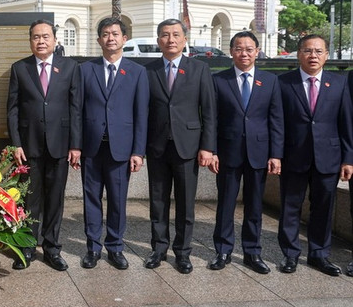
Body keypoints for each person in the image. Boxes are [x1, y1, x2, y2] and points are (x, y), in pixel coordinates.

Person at [7, 20, 81, 271]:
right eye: (36, 37)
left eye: (46, 36)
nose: (41, 41)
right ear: (30, 41)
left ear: (54, 40)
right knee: (30, 200)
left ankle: (51, 248)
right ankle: (26, 247)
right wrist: (16, 143)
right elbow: (13, 110)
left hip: (60, 145)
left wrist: (75, 145)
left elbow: (75, 109)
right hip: (29, 146)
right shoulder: (20, 68)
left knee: (55, 199)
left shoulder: (70, 68)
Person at [207, 32, 283, 274]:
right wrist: (213, 151)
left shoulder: (270, 81)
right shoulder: (219, 80)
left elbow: (276, 120)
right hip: (228, 152)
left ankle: (252, 252)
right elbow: (212, 120)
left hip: (259, 153)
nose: (244, 53)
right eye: (239, 48)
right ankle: (223, 250)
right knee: (226, 204)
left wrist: (275, 154)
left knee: (254, 206)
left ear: (257, 51)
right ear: (231, 51)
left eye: (249, 49)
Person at [144, 18, 216, 274]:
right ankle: (158, 248)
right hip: (157, 147)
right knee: (158, 201)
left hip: (188, 146)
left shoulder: (198, 69)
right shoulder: (149, 71)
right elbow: (143, 112)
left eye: (176, 35)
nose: (170, 39)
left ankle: (183, 253)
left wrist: (208, 147)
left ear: (185, 39)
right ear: (158, 40)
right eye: (165, 35)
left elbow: (209, 111)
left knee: (186, 204)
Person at [278, 35, 353, 276]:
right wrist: (276, 156)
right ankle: (290, 254)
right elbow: (277, 123)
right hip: (293, 156)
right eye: (308, 51)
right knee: (290, 207)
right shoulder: (283, 82)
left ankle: (319, 255)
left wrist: (348, 157)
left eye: (318, 51)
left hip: (328, 157)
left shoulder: (339, 83)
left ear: (326, 56)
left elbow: (346, 123)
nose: (313, 56)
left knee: (323, 208)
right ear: (298, 53)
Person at [78, 18, 148, 270]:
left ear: (124, 39)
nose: (111, 38)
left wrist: (138, 151)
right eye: (105, 34)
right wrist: (76, 146)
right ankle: (93, 247)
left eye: (115, 34)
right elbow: (77, 111)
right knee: (91, 199)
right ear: (99, 40)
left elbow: (142, 114)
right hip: (91, 147)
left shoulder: (138, 72)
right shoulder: (85, 70)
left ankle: (115, 247)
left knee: (118, 200)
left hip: (121, 148)